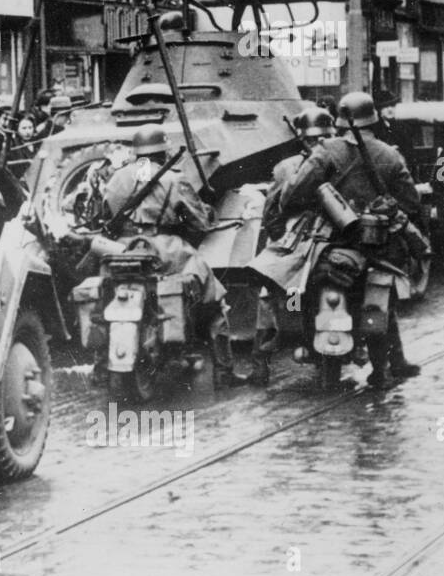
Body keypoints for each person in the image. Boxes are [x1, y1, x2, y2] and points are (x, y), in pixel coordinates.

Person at [280, 91, 423, 387]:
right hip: (378, 247)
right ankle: (383, 369)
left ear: (340, 121)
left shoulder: (325, 151)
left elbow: (292, 195)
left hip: (332, 248)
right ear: (375, 118)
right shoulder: (391, 154)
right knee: (381, 301)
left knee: (309, 292)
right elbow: (410, 203)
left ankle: (319, 357)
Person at [98, 123, 246, 388]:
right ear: (163, 152)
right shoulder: (173, 178)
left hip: (122, 250)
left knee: (104, 295)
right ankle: (224, 372)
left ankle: (101, 364)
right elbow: (200, 223)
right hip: (164, 249)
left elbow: (105, 216)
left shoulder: (117, 177)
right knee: (214, 298)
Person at [247, 105, 337, 386]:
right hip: (332, 239)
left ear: (301, 137)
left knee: (268, 295)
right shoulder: (340, 160)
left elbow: (272, 213)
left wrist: (281, 239)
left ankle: (261, 363)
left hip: (293, 243)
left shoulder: (286, 167)